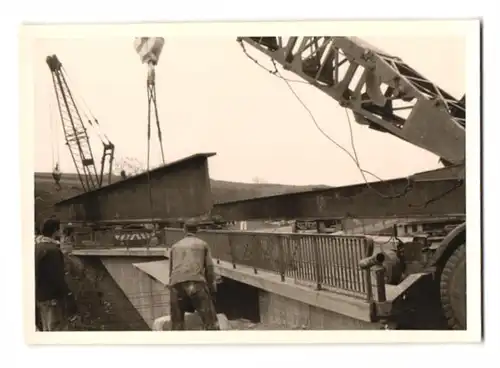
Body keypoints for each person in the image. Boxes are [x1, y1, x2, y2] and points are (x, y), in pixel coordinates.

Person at [168, 218, 219, 330]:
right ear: (198, 230)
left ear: (184, 229)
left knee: (177, 324)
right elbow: (209, 268)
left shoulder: (175, 246)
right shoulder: (203, 245)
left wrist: (171, 286)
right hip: (195, 283)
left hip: (176, 285)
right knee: (211, 322)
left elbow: (171, 270)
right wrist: (212, 288)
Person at [35, 217, 77, 331]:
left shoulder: (37, 247)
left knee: (46, 328)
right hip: (53, 298)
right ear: (55, 231)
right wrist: (68, 294)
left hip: (41, 296)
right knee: (56, 330)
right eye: (59, 229)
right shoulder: (53, 250)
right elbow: (57, 276)